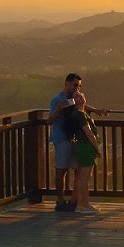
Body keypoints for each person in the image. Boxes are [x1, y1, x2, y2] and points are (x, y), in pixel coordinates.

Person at [46, 73, 107, 212]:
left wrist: (96, 110)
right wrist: (59, 109)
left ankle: (75, 201)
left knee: (78, 170)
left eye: (79, 86)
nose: (77, 88)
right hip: (61, 138)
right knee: (62, 170)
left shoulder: (72, 99)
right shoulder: (58, 99)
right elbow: (49, 120)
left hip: (74, 139)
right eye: (75, 85)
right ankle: (60, 201)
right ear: (66, 83)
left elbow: (81, 105)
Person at [64, 92, 101, 214]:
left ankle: (85, 204)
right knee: (84, 178)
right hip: (86, 146)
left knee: (84, 177)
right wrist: (97, 147)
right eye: (76, 97)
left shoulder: (81, 112)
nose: (80, 97)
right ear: (73, 102)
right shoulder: (80, 114)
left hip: (83, 146)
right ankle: (81, 205)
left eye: (81, 95)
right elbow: (88, 132)